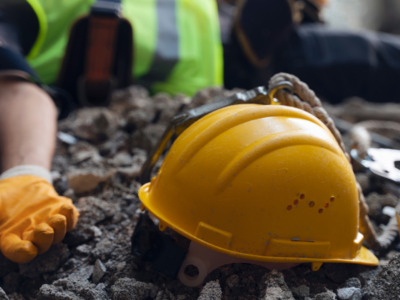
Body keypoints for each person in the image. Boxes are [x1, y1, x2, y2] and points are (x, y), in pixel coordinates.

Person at [1, 0, 400, 264]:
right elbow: (14, 88)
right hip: (240, 67)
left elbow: (15, 91)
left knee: (383, 57)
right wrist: (24, 172)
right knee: (379, 59)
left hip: (247, 36)